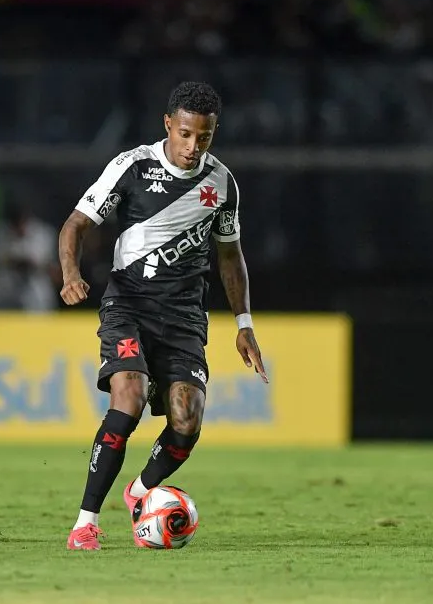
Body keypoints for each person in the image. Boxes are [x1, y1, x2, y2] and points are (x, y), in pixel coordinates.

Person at [57, 81, 266, 550]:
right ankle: (85, 522)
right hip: (128, 304)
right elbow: (76, 224)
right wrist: (70, 273)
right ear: (169, 125)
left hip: (185, 315)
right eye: (187, 134)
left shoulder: (222, 184)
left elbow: (230, 256)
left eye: (205, 137)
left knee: (187, 418)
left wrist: (244, 324)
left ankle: (140, 491)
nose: (194, 147)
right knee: (127, 399)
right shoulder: (132, 168)